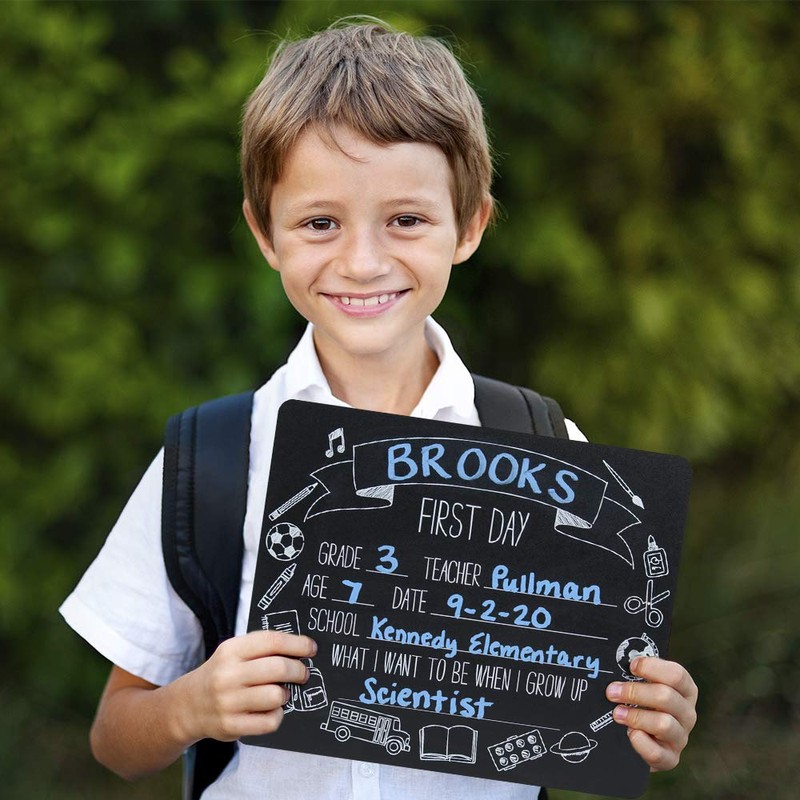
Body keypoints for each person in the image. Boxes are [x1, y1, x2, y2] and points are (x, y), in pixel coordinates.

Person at [60, 19, 697, 799]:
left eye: (406, 220)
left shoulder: (542, 444)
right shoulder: (214, 459)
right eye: (319, 222)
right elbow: (116, 740)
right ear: (265, 233)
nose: (362, 263)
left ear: (470, 226)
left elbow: (599, 696)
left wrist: (650, 718)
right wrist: (193, 705)